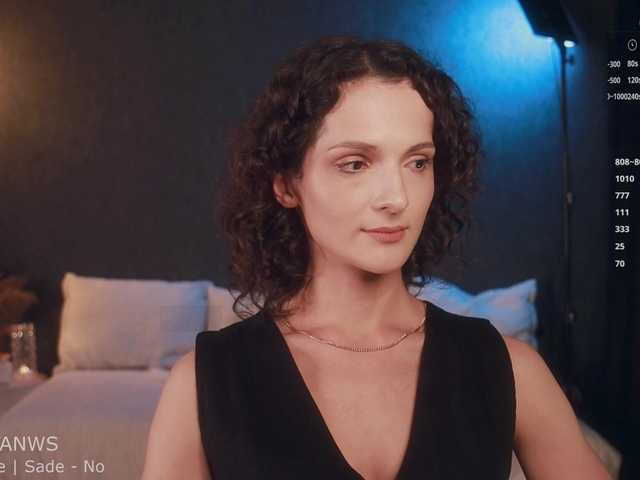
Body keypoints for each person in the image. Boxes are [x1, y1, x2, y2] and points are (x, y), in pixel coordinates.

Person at [141, 35, 611, 480]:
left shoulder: (508, 368)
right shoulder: (204, 382)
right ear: (286, 184)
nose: (397, 197)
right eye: (355, 164)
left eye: (417, 162)